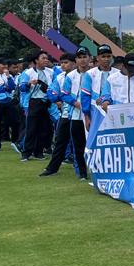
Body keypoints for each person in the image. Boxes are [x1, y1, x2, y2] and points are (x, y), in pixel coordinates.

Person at [40, 51, 89, 180]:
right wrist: (57, 99)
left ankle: (82, 170)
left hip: (83, 113)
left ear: (74, 63)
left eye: (66, 63)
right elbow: (51, 91)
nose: (63, 65)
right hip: (66, 114)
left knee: (80, 143)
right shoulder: (61, 77)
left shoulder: (88, 74)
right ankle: (52, 168)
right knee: (60, 141)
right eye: (61, 63)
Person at [19, 52, 53, 160]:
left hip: (46, 102)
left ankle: (39, 152)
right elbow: (22, 88)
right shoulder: (28, 72)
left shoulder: (50, 72)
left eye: (47, 58)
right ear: (36, 60)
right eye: (43, 58)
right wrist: (29, 83)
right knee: (31, 128)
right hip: (33, 102)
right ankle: (26, 153)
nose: (46, 60)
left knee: (44, 128)